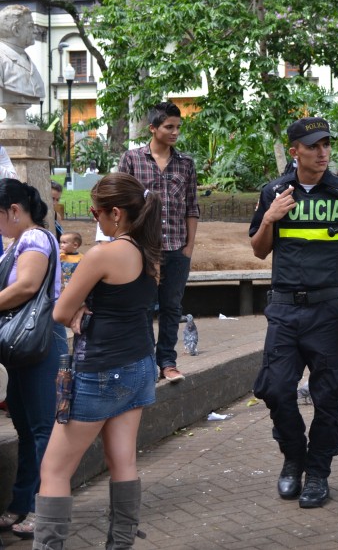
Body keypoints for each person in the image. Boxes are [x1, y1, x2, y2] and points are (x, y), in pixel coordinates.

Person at [249, 116, 338, 509]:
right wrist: (270, 218)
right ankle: (293, 458)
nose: (322, 153)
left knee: (329, 392)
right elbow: (259, 248)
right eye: (313, 146)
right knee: (274, 388)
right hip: (285, 309)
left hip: (328, 310)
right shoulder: (274, 192)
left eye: (326, 145)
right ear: (295, 151)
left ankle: (318, 472)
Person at [35, 174, 162, 548]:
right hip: (139, 366)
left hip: (101, 370)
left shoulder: (103, 254)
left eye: (96, 212)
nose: (95, 220)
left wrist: (80, 312)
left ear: (116, 213)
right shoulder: (149, 250)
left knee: (54, 470)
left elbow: (61, 311)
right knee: (123, 463)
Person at [0, 179, 66, 541]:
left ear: (13, 210)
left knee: (42, 430)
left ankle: (44, 510)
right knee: (27, 429)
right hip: (26, 345)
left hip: (39, 343)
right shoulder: (20, 240)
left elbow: (26, 287)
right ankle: (21, 503)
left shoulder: (34, 238)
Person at [118, 101, 199, 383]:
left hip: (177, 248)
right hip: (141, 249)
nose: (175, 132)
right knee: (142, 306)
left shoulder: (186, 163)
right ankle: (145, 363)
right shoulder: (131, 159)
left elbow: (192, 207)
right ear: (153, 129)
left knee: (171, 307)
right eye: (169, 127)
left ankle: (167, 361)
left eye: (178, 127)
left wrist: (188, 248)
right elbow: (121, 203)